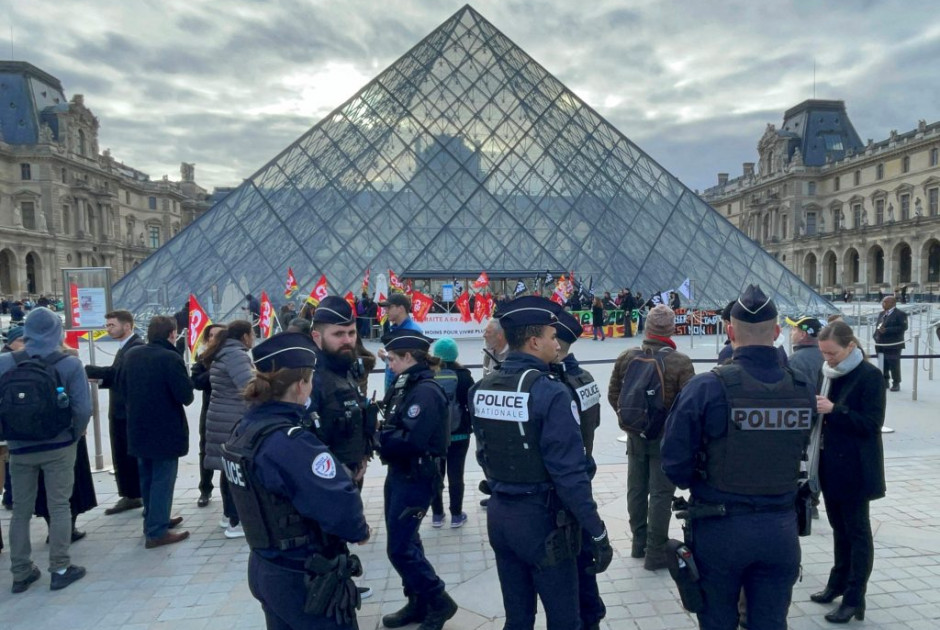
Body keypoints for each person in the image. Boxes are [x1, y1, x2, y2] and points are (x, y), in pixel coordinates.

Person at [661, 285, 815, 630]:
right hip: (780, 527)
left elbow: (674, 463)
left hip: (720, 527)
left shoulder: (707, 388)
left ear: (730, 332)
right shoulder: (802, 387)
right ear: (777, 332)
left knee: (717, 621)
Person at [470, 296, 612, 630]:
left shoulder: (482, 388)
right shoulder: (550, 392)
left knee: (518, 617)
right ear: (534, 341)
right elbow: (569, 473)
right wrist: (596, 529)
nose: (555, 343)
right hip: (543, 522)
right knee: (565, 619)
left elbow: (484, 454)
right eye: (551, 336)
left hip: (501, 514)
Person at [221, 332, 371, 629]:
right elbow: (338, 501)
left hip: (266, 565)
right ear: (302, 384)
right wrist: (359, 530)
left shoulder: (245, 430)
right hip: (303, 574)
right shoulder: (290, 441)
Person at [1, 307, 91, 592]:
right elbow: (83, 409)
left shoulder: (5, 362)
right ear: (57, 332)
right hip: (58, 444)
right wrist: (73, 436)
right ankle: (60, 567)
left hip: (19, 446)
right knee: (59, 505)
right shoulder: (69, 364)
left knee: (21, 511)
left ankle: (20, 572)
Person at [376, 330, 458, 630]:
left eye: (394, 359)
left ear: (409, 357)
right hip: (400, 472)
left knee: (398, 548)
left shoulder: (425, 391)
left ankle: (439, 600)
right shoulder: (406, 383)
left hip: (416, 475)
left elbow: (411, 440)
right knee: (407, 541)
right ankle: (418, 600)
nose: (391, 364)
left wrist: (377, 435)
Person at [609, 304, 694, 571]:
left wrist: (634, 423)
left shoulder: (626, 356)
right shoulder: (680, 361)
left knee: (636, 487)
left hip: (635, 435)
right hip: (665, 438)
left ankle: (638, 542)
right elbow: (689, 405)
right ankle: (655, 552)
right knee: (660, 492)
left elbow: (614, 394)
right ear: (671, 330)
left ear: (647, 328)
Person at [811, 321, 885, 623]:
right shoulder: (826, 374)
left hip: (856, 469)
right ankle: (837, 583)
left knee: (857, 533)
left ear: (851, 347)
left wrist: (834, 410)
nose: (828, 359)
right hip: (830, 465)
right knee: (838, 530)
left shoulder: (870, 376)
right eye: (824, 353)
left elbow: (871, 424)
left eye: (833, 353)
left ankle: (855, 597)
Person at [551, 309, 607, 629]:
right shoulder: (584, 378)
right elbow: (595, 422)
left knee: (572, 561)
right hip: (583, 472)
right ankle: (592, 616)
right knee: (584, 559)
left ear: (555, 343)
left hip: (564, 485)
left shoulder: (555, 384)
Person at [120, 315, 194, 548]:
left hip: (138, 427)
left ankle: (153, 520)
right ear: (172, 334)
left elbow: (121, 388)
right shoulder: (170, 358)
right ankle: (157, 531)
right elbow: (186, 396)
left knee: (148, 478)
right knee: (163, 479)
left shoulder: (132, 355)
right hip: (165, 430)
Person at [308, 297, 375, 488]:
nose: (348, 340)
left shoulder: (346, 369)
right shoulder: (310, 379)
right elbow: (304, 439)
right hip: (325, 483)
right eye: (338, 334)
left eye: (351, 333)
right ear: (316, 337)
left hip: (351, 476)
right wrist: (335, 470)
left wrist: (363, 455)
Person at [85, 310, 145, 515]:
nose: (108, 329)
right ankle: (130, 493)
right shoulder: (126, 347)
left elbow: (118, 375)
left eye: (112, 325)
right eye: (107, 325)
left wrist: (87, 370)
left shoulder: (135, 348)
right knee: (122, 455)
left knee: (127, 455)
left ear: (127, 326)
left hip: (126, 412)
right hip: (121, 411)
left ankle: (132, 494)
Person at [203, 320, 255, 539]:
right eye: (253, 333)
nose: (254, 338)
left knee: (228, 470)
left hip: (221, 417)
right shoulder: (236, 355)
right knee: (237, 472)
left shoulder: (223, 352)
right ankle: (236, 521)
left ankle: (228, 516)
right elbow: (249, 386)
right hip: (233, 419)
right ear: (244, 336)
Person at [428, 337, 473, 529]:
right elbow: (471, 403)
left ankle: (437, 515)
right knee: (456, 475)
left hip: (435, 435)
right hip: (460, 433)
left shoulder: (429, 375)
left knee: (436, 474)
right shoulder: (463, 376)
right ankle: (456, 515)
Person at [191, 323, 227, 507]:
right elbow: (196, 382)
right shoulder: (203, 358)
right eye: (211, 335)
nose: (214, 338)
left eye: (218, 335)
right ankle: (205, 489)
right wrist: (214, 370)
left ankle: (228, 493)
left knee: (229, 452)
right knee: (205, 450)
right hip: (210, 410)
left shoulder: (232, 356)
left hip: (229, 411)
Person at [376, 293, 423, 392]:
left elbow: (411, 363)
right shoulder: (396, 328)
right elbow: (399, 358)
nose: (386, 310)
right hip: (394, 383)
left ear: (401, 308)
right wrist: (386, 356)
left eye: (389, 307)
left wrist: (387, 356)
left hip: (403, 386)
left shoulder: (411, 331)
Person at [873, 295, 908, 391]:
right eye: (883, 302)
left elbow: (903, 327)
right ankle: (885, 381)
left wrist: (888, 330)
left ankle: (896, 383)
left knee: (894, 364)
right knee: (882, 363)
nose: (883, 304)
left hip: (893, 344)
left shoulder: (900, 314)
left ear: (892, 303)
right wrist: (875, 335)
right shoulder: (882, 313)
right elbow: (878, 326)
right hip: (880, 343)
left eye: (885, 302)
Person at [785, 316, 825, 389]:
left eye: (794, 329)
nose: (791, 333)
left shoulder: (794, 361)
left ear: (803, 335)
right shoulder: (828, 356)